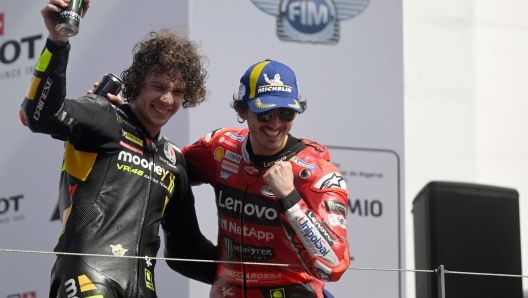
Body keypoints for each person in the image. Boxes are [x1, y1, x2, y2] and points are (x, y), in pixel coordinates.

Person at [20, 0, 216, 297]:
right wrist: (58, 41)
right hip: (86, 278)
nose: (167, 99)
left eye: (177, 92)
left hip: (141, 289)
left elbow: (186, 252)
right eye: (158, 86)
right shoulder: (105, 116)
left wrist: (257, 271)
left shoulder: (174, 160)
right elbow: (41, 115)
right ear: (137, 82)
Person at [180, 59, 350, 298]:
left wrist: (290, 200)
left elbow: (333, 265)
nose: (276, 123)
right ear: (242, 110)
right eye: (265, 113)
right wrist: (127, 123)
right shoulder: (221, 148)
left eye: (287, 113)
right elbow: (164, 166)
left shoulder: (316, 172)